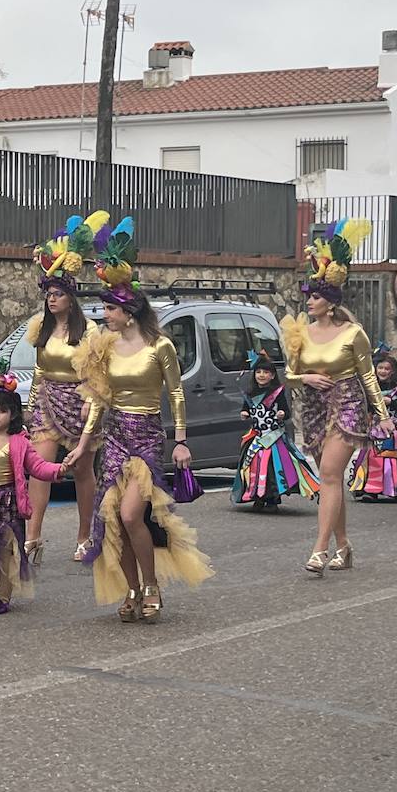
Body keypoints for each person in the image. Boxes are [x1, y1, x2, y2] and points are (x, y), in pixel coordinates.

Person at [65, 216, 213, 621]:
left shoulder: (159, 346)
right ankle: (130, 588)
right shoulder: (106, 348)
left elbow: (176, 393)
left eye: (110, 309)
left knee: (133, 514)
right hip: (114, 437)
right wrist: (82, 445)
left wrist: (181, 440)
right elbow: (98, 398)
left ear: (128, 312)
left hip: (146, 436)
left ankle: (150, 584)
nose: (104, 315)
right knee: (113, 519)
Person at [280, 217, 396, 575]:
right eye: (308, 297)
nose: (308, 302)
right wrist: (306, 377)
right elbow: (288, 377)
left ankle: (319, 550)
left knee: (330, 472)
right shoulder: (301, 331)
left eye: (314, 297)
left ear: (329, 303)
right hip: (313, 407)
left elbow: (368, 377)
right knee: (331, 478)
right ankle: (344, 546)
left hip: (347, 403)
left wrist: (382, 414)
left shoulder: (353, 333)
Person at [26, 211, 106, 564]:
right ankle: (33, 536)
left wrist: (91, 400)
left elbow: (95, 373)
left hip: (79, 403)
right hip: (48, 401)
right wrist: (30, 405)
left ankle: (84, 533)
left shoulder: (88, 330)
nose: (52, 299)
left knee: (82, 471)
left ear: (70, 298)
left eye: (58, 294)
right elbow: (39, 371)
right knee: (40, 466)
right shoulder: (41, 329)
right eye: (49, 294)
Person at [0, 365, 66, 614]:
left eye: (2, 410)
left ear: (13, 414)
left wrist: (59, 470)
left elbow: (38, 467)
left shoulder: (20, 442)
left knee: (6, 550)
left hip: (9, 503)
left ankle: (4, 596)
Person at [232, 352, 320, 510]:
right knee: (252, 467)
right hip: (257, 437)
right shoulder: (251, 393)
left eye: (265, 372)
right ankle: (256, 497)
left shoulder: (277, 393)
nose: (261, 375)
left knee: (272, 468)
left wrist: (282, 414)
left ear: (272, 375)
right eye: (258, 372)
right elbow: (246, 409)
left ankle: (272, 499)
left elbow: (286, 412)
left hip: (274, 438)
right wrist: (244, 413)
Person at [349, 349, 397, 503]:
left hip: (395, 429)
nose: (383, 371)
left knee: (392, 458)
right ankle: (370, 489)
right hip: (374, 429)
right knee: (372, 457)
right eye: (380, 368)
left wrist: (391, 402)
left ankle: (394, 489)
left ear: (393, 371)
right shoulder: (369, 387)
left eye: (387, 369)